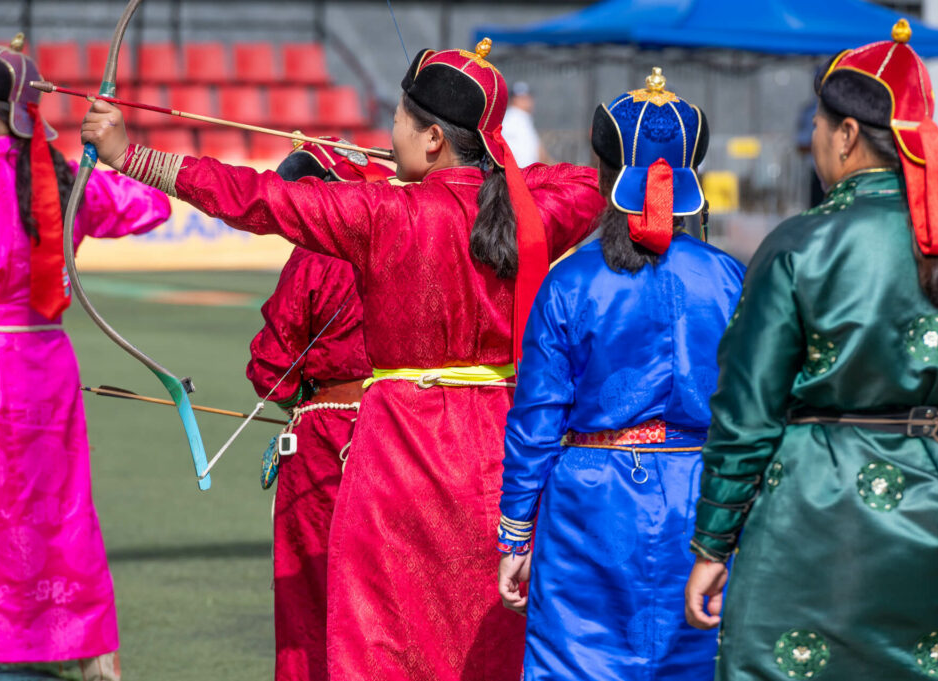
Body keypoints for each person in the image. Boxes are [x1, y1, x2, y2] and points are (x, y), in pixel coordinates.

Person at [81, 39, 606, 681]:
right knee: (482, 629)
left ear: (434, 137)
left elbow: (260, 199)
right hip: (496, 447)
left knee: (385, 631)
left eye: (401, 123)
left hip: (403, 449)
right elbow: (586, 183)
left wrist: (128, 155)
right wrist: (485, 171)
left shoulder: (382, 212)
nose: (390, 134)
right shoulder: (528, 212)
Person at [685, 20, 938, 680]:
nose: (813, 142)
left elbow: (746, 411)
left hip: (811, 514)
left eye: (817, 126)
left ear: (847, 134)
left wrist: (713, 542)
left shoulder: (800, 243)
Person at [0, 36, 171, 681]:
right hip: (38, 368)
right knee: (56, 510)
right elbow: (152, 205)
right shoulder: (62, 180)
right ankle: (85, 649)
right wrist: (96, 158)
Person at [497, 68, 744, 681]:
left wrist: (514, 536)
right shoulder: (729, 277)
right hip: (703, 501)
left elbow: (536, 420)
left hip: (592, 505)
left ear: (606, 175)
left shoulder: (570, 280)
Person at [246, 138, 387, 681]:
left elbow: (270, 370)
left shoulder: (316, 254)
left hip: (329, 442)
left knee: (313, 596)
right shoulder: (407, 229)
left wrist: (301, 396)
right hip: (411, 430)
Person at [502, 81, 549, 167]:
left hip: (521, 173)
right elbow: (539, 153)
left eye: (528, 97)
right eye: (523, 98)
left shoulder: (520, 117)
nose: (528, 101)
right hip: (520, 174)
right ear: (514, 100)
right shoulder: (516, 117)